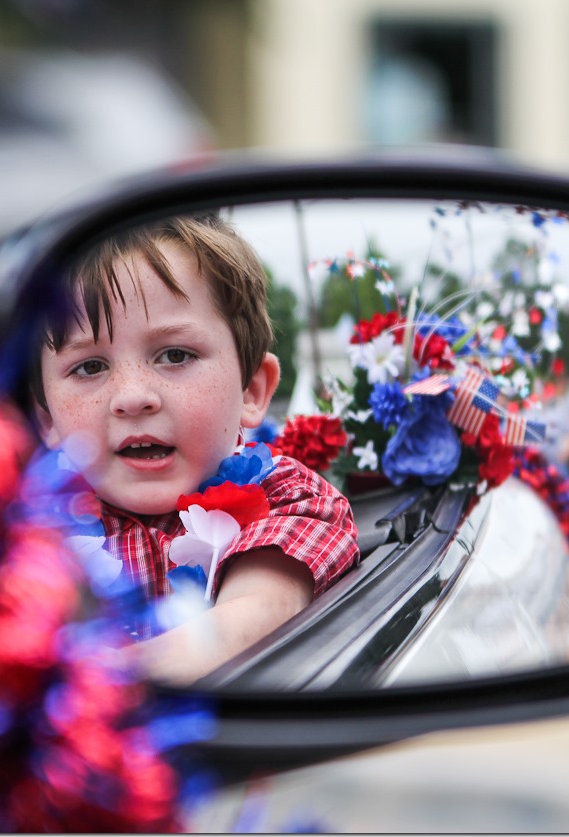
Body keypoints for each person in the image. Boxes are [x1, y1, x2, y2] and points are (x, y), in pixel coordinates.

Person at [29, 213, 360, 685]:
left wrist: (82, 685)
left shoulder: (289, 500)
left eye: (175, 355)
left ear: (251, 390)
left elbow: (251, 619)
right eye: (89, 367)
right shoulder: (28, 535)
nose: (132, 397)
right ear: (47, 420)